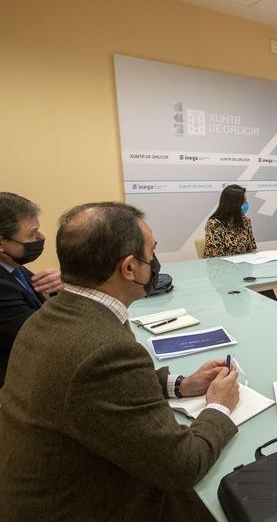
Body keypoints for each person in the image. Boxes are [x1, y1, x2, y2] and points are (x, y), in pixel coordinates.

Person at [0, 202, 240, 520]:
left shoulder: (55, 314)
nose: (155, 262)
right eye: (151, 252)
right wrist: (219, 407)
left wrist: (181, 384)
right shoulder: (103, 350)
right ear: (129, 268)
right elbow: (182, 466)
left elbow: (102, 389)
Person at [0, 192, 62, 387]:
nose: (41, 237)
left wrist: (60, 286)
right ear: (1, 244)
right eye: (32, 234)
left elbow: (44, 298)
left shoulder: (13, 268)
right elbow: (42, 335)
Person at [204, 184, 256, 258]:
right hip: (222, 265)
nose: (246, 204)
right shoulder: (214, 224)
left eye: (246, 201)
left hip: (245, 263)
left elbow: (252, 249)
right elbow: (214, 257)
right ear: (233, 204)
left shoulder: (246, 221)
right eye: (243, 202)